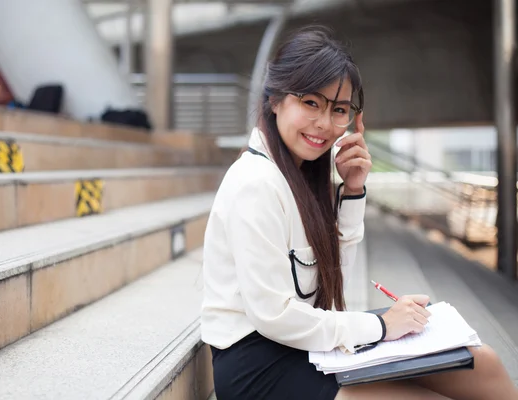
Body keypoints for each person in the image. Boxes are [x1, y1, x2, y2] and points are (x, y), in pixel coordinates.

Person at [200, 25, 518, 400]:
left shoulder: (303, 176)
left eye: (339, 110)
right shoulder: (255, 183)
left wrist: (352, 192)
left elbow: (331, 289)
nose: (324, 124)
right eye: (310, 103)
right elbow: (275, 316)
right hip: (260, 366)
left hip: (307, 343)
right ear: (275, 100)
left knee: (484, 365)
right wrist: (381, 325)